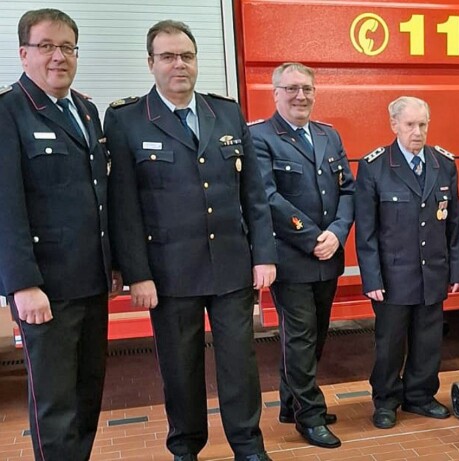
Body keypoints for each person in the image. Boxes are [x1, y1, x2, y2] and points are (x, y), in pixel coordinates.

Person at [105, 20, 276, 461]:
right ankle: (185, 447)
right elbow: (124, 206)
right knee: (180, 370)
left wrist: (264, 255)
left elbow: (252, 193)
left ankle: (248, 446)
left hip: (230, 265)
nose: (179, 64)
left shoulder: (227, 112)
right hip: (168, 272)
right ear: (151, 63)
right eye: (168, 56)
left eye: (187, 55)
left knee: (239, 365)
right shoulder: (125, 119)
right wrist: (137, 275)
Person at [0, 9, 118, 461]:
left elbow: (98, 196)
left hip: (89, 281)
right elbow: (6, 206)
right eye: (46, 46)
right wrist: (22, 284)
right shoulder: (8, 112)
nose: (58, 57)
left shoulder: (85, 110)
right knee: (54, 404)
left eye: (67, 47)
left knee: (87, 395)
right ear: (23, 53)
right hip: (43, 288)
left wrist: (112, 264)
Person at [249, 62, 354, 449]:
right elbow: (266, 196)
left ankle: (292, 402)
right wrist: (311, 237)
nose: (300, 96)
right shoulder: (259, 136)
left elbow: (348, 189)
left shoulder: (329, 135)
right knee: (301, 337)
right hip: (292, 259)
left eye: (307, 88)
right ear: (275, 93)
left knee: (314, 335)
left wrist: (337, 233)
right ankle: (309, 416)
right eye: (291, 88)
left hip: (328, 254)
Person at [355, 96, 459, 429]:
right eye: (410, 125)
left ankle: (420, 395)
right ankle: (386, 399)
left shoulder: (443, 163)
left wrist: (456, 269)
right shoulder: (375, 166)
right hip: (393, 275)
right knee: (389, 343)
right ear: (394, 125)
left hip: (432, 270)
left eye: (423, 125)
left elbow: (454, 222)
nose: (417, 132)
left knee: (429, 339)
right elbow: (366, 231)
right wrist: (372, 278)